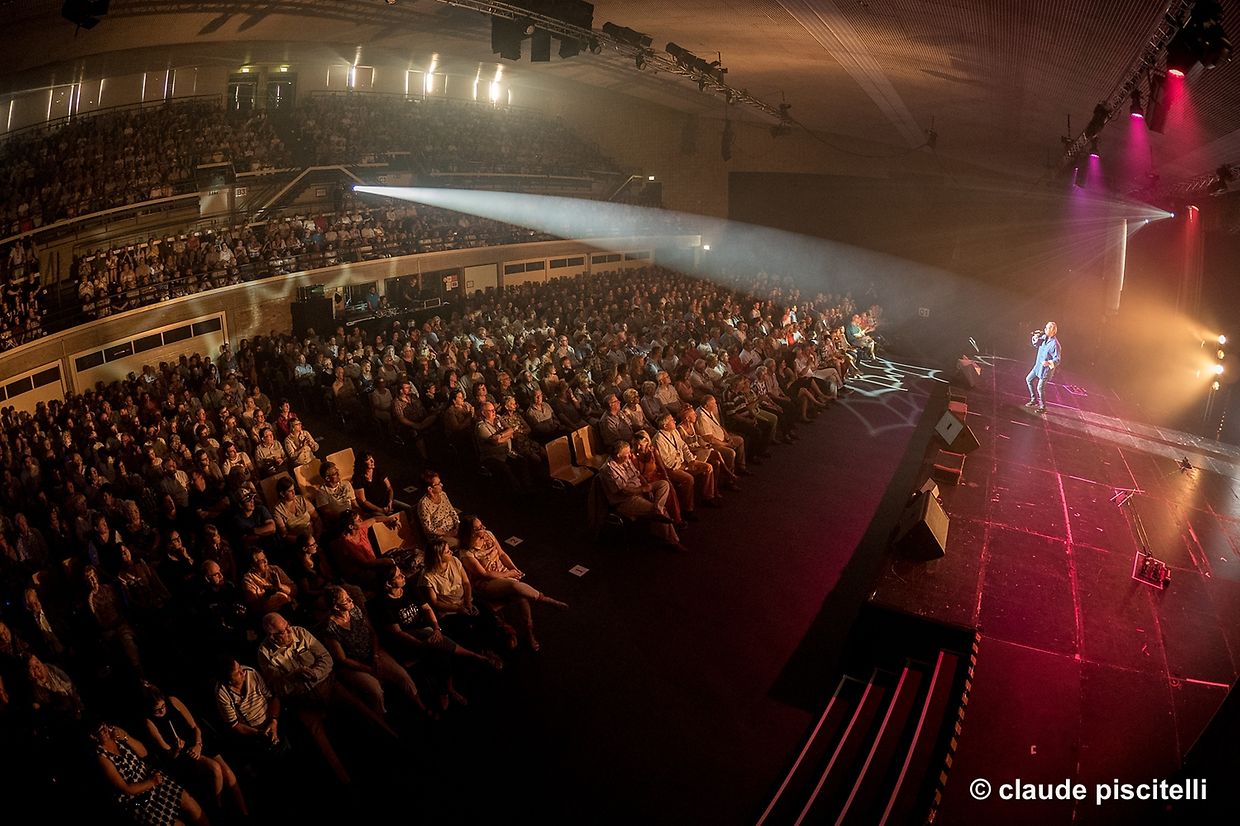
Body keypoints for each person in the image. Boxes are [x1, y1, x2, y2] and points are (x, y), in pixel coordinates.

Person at [458, 515, 568, 652]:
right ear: (471, 532)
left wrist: (513, 568)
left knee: (520, 596)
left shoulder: (489, 535)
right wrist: (509, 574)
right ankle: (545, 599)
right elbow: (484, 574)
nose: (484, 528)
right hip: (486, 584)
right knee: (514, 586)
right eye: (479, 527)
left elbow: (502, 554)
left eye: (482, 525)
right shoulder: (466, 553)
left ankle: (529, 634)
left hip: (504, 574)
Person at [141, 683, 248, 817]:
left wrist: (198, 744)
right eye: (157, 710)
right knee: (215, 768)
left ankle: (245, 812)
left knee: (227, 771)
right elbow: (170, 755)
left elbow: (195, 727)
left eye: (163, 706)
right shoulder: (149, 722)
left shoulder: (173, 701)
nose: (162, 711)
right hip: (183, 755)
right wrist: (177, 748)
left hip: (198, 741)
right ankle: (218, 808)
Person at [91, 719, 210, 826]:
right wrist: (151, 782)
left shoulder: (115, 735)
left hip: (149, 775)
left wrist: (125, 737)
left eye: (105, 725)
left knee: (191, 804)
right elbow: (126, 789)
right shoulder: (101, 757)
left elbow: (143, 753)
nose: (106, 730)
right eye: (101, 730)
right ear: (93, 736)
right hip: (139, 798)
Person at [1026, 321, 1061, 414]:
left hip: (1045, 370)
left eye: (1048, 328)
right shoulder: (1045, 337)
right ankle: (1034, 400)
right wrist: (1035, 338)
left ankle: (1043, 407)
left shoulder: (1055, 344)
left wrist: (1049, 362)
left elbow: (1057, 359)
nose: (1045, 329)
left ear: (1053, 331)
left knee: (1040, 388)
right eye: (1046, 327)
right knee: (1028, 379)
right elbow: (1036, 344)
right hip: (1037, 366)